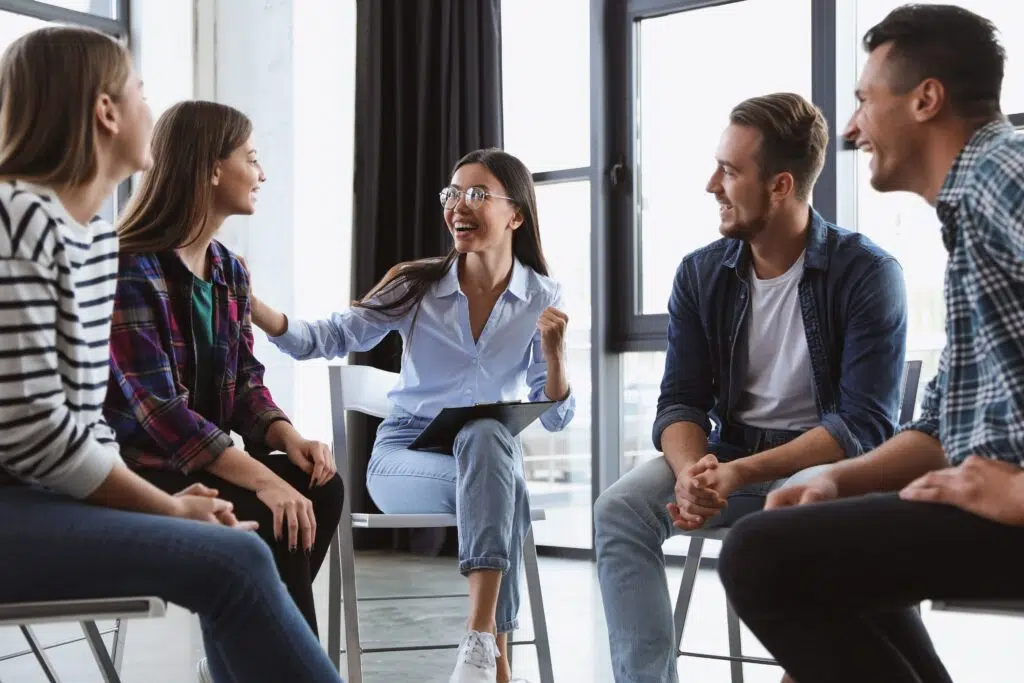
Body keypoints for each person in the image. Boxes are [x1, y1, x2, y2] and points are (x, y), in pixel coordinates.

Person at [0, 26, 344, 683]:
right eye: (141, 92)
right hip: (27, 497)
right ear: (106, 112)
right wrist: (168, 507)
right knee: (235, 555)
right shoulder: (19, 217)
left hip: (56, 491)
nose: (150, 113)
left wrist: (278, 442)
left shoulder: (90, 240)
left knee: (280, 514)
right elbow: (38, 433)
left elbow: (82, 426)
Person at [717, 6, 1024, 683]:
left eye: (863, 100)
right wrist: (833, 480)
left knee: (758, 555)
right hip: (987, 498)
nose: (852, 127)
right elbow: (941, 428)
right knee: (829, 547)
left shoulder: (1004, 173)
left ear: (926, 99)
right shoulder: (968, 213)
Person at [593, 92, 909, 683]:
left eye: (731, 171)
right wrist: (691, 472)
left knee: (796, 513)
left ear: (781, 185)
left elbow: (862, 426)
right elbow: (681, 400)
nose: (712, 183)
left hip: (820, 462)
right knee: (619, 511)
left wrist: (741, 473)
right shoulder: (700, 273)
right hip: (729, 450)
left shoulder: (868, 274)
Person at [248, 147, 573, 683]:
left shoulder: (542, 297)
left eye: (476, 193)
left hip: (487, 460)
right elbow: (327, 337)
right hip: (405, 458)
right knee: (502, 476)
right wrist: (254, 305)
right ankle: (496, 659)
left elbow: (557, 418)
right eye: (451, 193)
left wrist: (556, 354)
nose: (456, 206)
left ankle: (477, 645)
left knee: (490, 439)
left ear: (516, 214)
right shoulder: (417, 285)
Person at [103, 101, 345, 648]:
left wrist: (288, 438)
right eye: (252, 158)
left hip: (202, 459)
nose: (262, 174)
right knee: (270, 506)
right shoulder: (129, 266)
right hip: (142, 473)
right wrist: (265, 478)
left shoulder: (228, 269)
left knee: (321, 487)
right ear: (212, 169)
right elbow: (161, 415)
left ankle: (255, 650)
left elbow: (246, 384)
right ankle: (280, 657)